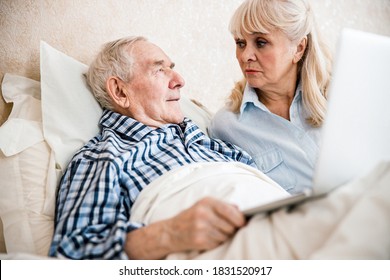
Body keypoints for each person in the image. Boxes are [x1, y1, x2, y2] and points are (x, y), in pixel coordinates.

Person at [49, 36, 262, 260]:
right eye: (160, 70)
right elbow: (72, 254)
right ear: (120, 92)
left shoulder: (209, 142)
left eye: (172, 69)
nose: (180, 81)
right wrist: (169, 234)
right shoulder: (103, 157)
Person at [209, 0, 332, 194]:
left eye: (261, 42)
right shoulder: (227, 126)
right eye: (240, 43)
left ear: (299, 48)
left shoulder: (339, 97)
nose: (245, 55)